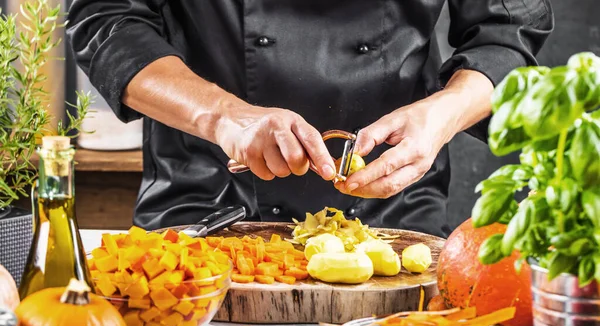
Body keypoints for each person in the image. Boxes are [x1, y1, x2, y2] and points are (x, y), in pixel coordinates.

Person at [67, 0, 553, 238]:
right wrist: (225, 119)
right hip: (207, 202)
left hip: (390, 221)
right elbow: (107, 20)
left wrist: (443, 114)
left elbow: (509, 28)